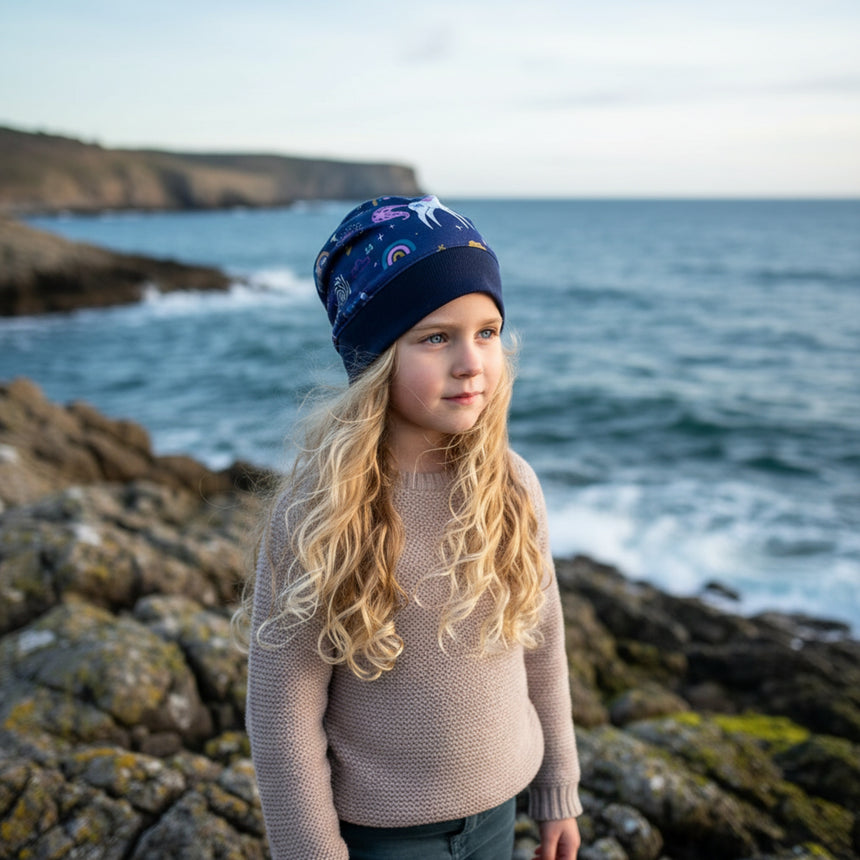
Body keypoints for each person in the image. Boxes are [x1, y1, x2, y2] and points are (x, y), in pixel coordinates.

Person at [236, 195, 582, 860]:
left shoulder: (512, 485)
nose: (471, 361)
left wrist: (557, 790)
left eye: (486, 332)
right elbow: (282, 713)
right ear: (373, 358)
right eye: (435, 337)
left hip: (499, 815)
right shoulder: (319, 512)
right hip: (383, 838)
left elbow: (543, 644)